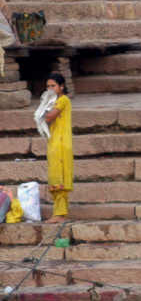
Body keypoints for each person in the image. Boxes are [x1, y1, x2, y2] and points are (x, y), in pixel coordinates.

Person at [43, 73, 72, 223]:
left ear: (62, 86)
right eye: (48, 86)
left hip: (60, 144)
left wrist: (44, 106)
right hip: (54, 143)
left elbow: (48, 117)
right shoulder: (53, 101)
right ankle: (58, 214)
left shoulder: (63, 100)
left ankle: (60, 215)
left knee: (59, 178)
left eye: (53, 86)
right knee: (54, 177)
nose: (50, 89)